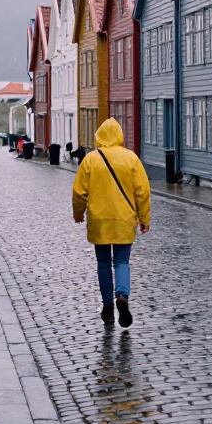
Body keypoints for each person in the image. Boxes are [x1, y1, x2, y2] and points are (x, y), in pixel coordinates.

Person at [72, 117, 151, 328]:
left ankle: (108, 306)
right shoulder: (131, 159)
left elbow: (79, 192)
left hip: (99, 219)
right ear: (119, 135)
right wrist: (144, 218)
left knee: (104, 263)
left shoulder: (90, 159)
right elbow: (142, 192)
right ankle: (122, 295)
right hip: (124, 218)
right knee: (122, 262)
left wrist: (78, 213)